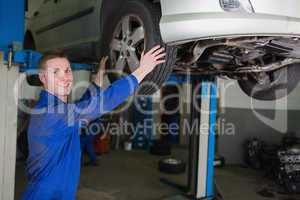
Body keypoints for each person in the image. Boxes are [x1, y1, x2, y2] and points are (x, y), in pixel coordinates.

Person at [21, 45, 166, 200]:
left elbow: (85, 103)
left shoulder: (60, 110)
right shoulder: (49, 114)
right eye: (55, 72)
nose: (65, 77)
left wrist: (99, 76)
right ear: (43, 78)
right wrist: (141, 71)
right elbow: (102, 102)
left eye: (68, 70)